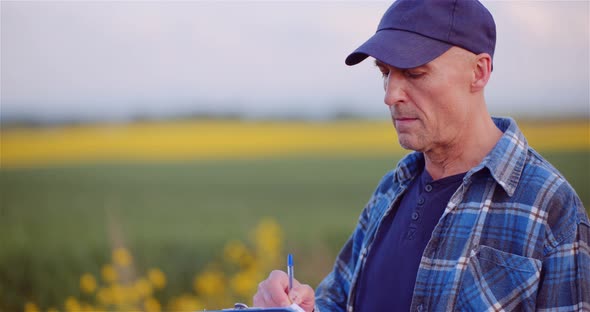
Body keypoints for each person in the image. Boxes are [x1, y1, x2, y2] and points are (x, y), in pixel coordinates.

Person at [253, 0, 590, 311]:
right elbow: (338, 302)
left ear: (479, 72)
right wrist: (299, 306)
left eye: (414, 73)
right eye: (385, 73)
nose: (391, 95)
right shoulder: (391, 190)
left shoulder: (550, 208)